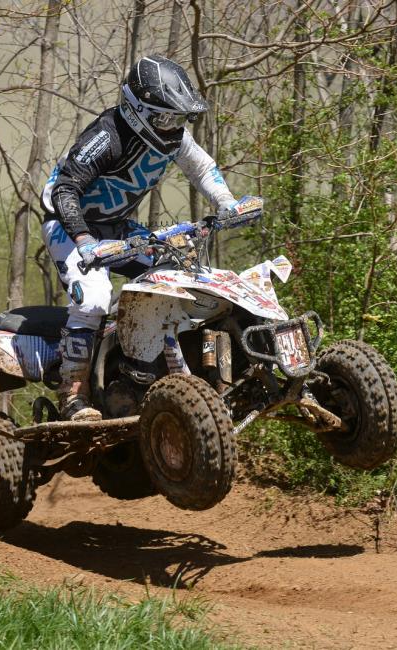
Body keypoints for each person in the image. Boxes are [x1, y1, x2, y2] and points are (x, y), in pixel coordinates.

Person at [41, 54, 240, 422]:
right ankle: (74, 395)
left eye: (179, 118)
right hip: (69, 227)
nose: (173, 126)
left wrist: (227, 202)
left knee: (176, 273)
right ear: (139, 111)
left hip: (116, 226)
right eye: (166, 117)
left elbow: (201, 166)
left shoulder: (173, 137)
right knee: (94, 300)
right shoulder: (107, 136)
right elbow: (65, 190)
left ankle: (154, 371)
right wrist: (84, 240)